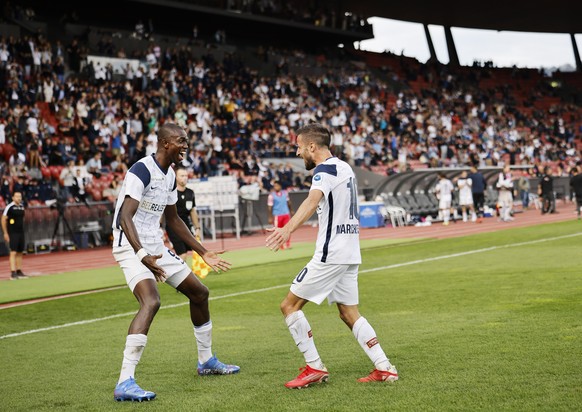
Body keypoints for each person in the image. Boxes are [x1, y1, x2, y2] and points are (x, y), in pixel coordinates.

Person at [111, 123, 238, 402]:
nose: (186, 146)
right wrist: (142, 255)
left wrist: (201, 251)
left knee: (200, 293)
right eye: (182, 141)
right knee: (151, 301)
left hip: (155, 246)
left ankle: (206, 362)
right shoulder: (141, 170)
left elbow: (173, 220)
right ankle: (124, 381)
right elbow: (124, 217)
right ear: (166, 143)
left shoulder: (169, 175)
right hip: (130, 246)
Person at [265, 123, 398, 389]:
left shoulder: (323, 171)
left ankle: (314, 366)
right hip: (350, 251)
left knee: (289, 306)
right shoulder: (345, 167)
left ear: (312, 146)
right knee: (348, 312)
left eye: (300, 147)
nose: (299, 152)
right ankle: (384, 367)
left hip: (331, 252)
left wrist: (286, 229)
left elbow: (311, 201)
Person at [165, 166, 202, 262]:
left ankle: (174, 272)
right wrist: (160, 226)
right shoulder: (171, 193)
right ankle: (176, 275)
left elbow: (192, 211)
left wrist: (197, 228)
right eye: (182, 175)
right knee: (182, 254)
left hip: (186, 226)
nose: (185, 177)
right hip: (173, 226)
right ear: (176, 177)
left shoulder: (190, 193)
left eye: (186, 175)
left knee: (185, 252)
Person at [2, 191, 28, 279]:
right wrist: (5, 233)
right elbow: (3, 219)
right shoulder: (9, 207)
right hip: (13, 233)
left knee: (20, 252)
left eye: (20, 196)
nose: (19, 198)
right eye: (17, 197)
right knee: (13, 252)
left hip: (21, 232)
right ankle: (13, 272)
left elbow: (22, 219)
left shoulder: (21, 207)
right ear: (13, 198)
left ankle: (19, 270)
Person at [267, 180, 293, 250]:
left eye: (277, 186)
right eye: (274, 186)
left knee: (287, 230)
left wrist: (291, 210)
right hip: (277, 215)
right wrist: (270, 217)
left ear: (280, 186)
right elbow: (269, 207)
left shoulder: (285, 193)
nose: (275, 187)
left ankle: (288, 244)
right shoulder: (271, 195)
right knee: (278, 231)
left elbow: (289, 202)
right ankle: (281, 245)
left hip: (286, 213)